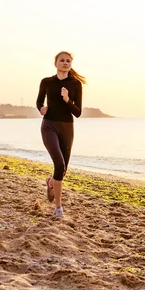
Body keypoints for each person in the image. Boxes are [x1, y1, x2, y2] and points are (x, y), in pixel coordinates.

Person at [36, 51, 86, 218]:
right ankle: (58, 208)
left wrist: (67, 100)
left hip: (67, 127)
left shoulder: (75, 84)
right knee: (59, 164)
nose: (65, 63)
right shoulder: (47, 82)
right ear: (55, 63)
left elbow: (77, 112)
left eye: (68, 61)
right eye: (62, 60)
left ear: (70, 64)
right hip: (49, 126)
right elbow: (39, 101)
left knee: (62, 169)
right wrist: (41, 109)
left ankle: (50, 182)